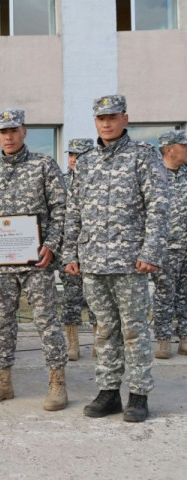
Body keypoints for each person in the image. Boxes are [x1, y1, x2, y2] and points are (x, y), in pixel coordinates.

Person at [63, 94, 169, 422]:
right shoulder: (87, 161)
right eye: (100, 118)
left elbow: (158, 205)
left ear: (125, 117)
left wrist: (151, 252)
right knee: (104, 328)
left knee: (134, 328)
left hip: (130, 262)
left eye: (112, 116)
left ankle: (138, 394)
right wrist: (70, 252)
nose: (106, 123)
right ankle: (109, 392)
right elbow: (74, 209)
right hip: (94, 260)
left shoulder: (143, 157)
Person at [0, 109, 68, 411]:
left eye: (14, 130)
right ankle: (3, 382)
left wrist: (51, 245)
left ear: (24, 131)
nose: (9, 136)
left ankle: (57, 382)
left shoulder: (43, 166)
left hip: (35, 262)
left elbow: (61, 209)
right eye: (3, 132)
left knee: (46, 321)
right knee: (1, 323)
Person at [58, 138, 98, 361]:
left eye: (79, 155)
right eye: (71, 155)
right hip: (68, 248)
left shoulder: (97, 180)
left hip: (93, 247)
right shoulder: (61, 182)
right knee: (71, 297)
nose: (74, 159)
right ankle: (72, 344)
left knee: (96, 297)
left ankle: (98, 342)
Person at [150, 130, 187, 359]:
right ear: (169, 149)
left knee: (185, 294)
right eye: (183, 146)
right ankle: (163, 340)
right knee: (165, 295)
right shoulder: (155, 174)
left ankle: (185, 338)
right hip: (165, 248)